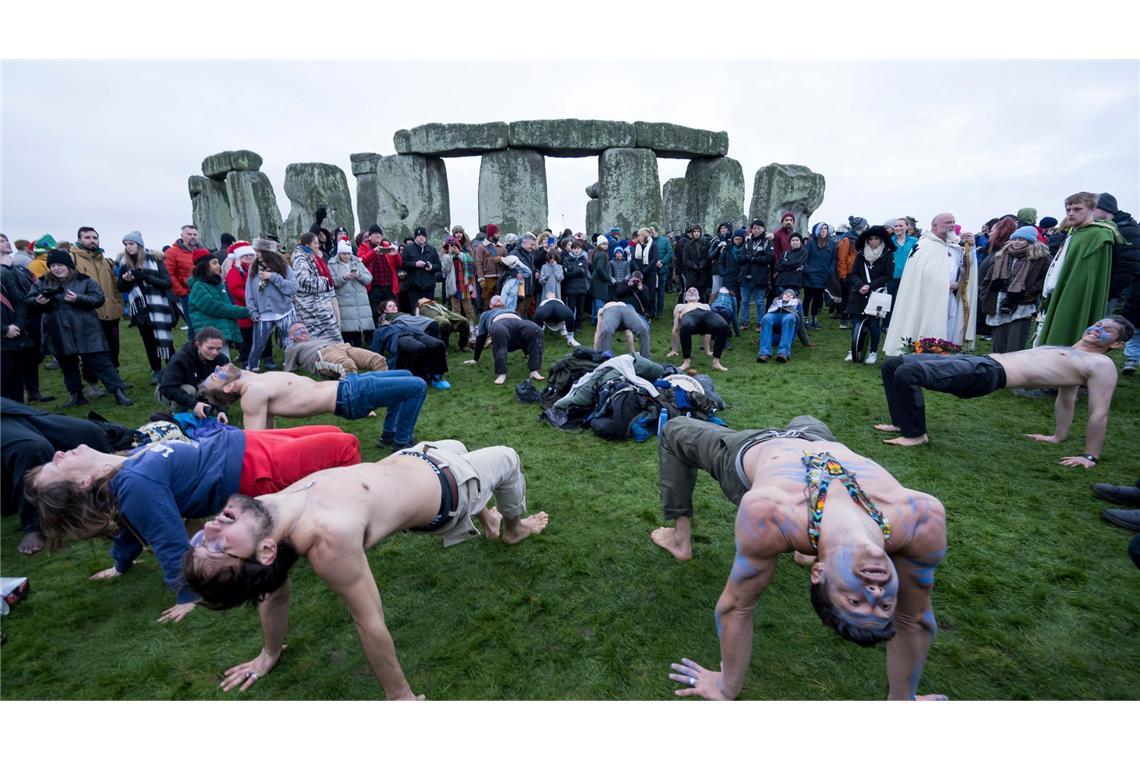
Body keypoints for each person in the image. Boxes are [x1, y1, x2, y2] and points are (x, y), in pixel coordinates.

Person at [181, 439, 549, 698]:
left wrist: (269, 653)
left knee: (458, 445)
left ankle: (488, 518)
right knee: (507, 457)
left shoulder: (263, 513)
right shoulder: (329, 539)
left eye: (202, 541)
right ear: (263, 552)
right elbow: (369, 622)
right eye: (218, 547)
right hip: (450, 490)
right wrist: (400, 697)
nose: (212, 527)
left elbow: (272, 590)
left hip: (419, 456)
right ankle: (513, 530)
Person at [653, 415, 946, 701]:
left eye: (855, 601)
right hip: (816, 436)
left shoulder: (771, 513)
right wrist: (903, 701)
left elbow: (737, 606)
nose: (874, 591)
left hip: (751, 449)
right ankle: (810, 547)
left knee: (674, 430)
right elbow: (915, 618)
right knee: (806, 416)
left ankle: (680, 540)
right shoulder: (921, 517)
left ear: (819, 573)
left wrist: (725, 687)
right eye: (884, 604)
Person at [26, 425, 362, 622]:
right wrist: (188, 593)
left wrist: (119, 564)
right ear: (81, 483)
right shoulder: (135, 484)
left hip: (241, 441)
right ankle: (357, 516)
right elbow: (167, 538)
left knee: (333, 432)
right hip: (252, 466)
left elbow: (126, 525)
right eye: (54, 468)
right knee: (344, 447)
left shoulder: (122, 466)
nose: (56, 455)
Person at [875, 317, 1132, 461]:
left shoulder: (1101, 364)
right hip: (983, 361)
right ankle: (902, 422)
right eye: (1098, 325)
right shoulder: (1073, 353)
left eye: (1107, 330)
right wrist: (1057, 436)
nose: (1097, 330)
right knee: (893, 365)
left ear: (1118, 344)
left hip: (987, 375)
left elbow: (1099, 413)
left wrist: (1090, 456)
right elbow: (1066, 399)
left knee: (909, 373)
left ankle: (916, 434)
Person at [198, 361, 427, 449]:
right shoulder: (252, 394)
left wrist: (218, 410)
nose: (218, 369)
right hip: (349, 397)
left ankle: (389, 434)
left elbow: (269, 425)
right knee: (416, 386)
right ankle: (401, 443)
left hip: (348, 385)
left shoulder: (252, 379)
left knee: (407, 372)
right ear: (228, 388)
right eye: (216, 375)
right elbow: (257, 441)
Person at [2, 397, 112, 555]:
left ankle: (112, 491)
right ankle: (34, 524)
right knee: (31, 448)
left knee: (87, 431)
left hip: (10, 408)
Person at [27, 250, 133, 407]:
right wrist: (38, 302)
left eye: (60, 265)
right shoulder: (42, 282)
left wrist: (79, 298)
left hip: (85, 328)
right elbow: (29, 301)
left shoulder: (84, 280)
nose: (57, 268)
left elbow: (98, 298)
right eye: (53, 265)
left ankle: (117, 391)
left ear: (68, 265)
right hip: (58, 329)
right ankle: (76, 395)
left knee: (101, 362)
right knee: (67, 365)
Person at [883, 213, 978, 356]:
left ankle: (944, 355)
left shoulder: (954, 246)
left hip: (949, 298)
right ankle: (923, 354)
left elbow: (966, 267)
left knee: (948, 328)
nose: (951, 225)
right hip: (927, 298)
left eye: (953, 222)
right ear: (934, 226)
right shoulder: (924, 245)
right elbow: (923, 272)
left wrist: (970, 248)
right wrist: (944, 284)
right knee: (926, 325)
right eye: (947, 222)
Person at [1035, 193, 1119, 348]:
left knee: (1064, 337)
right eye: (1068, 210)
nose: (1071, 213)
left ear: (1092, 210)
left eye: (1077, 209)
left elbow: (1086, 279)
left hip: (1074, 296)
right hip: (1056, 293)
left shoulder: (1097, 235)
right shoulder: (1075, 233)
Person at [979, 226, 1051, 354]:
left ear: (1030, 241)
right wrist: (985, 295)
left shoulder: (1040, 258)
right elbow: (988, 279)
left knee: (1015, 345)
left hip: (1022, 303)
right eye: (1015, 238)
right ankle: (998, 369)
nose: (1017, 242)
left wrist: (1031, 291)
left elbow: (1046, 278)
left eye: (1022, 239)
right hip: (998, 301)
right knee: (998, 344)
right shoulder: (1001, 256)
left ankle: (1015, 371)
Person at [70, 228, 125, 395]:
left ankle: (114, 379)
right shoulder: (73, 259)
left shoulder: (106, 261)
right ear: (79, 239)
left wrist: (117, 304)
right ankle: (93, 384)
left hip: (110, 312)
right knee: (91, 351)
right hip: (88, 313)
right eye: (87, 237)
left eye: (95, 237)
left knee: (113, 347)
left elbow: (115, 285)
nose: (92, 240)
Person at [116, 230, 174, 384]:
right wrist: (126, 280)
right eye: (126, 244)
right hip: (140, 309)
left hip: (159, 307)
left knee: (165, 340)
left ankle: (173, 370)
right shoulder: (124, 263)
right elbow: (121, 288)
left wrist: (146, 277)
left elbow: (167, 283)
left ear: (139, 245)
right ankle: (156, 371)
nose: (128, 247)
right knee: (149, 342)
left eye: (131, 244)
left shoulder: (155, 259)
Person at [2, 240, 52, 403]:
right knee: (8, 370)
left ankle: (32, 392)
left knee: (30, 359)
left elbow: (21, 297)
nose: (6, 243)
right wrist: (5, 328)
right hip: (7, 327)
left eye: (5, 240)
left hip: (27, 320)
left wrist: (19, 323)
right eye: (1, 241)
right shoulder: (5, 270)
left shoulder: (19, 268)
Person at [843, 225, 897, 365]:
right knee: (856, 324)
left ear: (881, 240)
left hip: (876, 294)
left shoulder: (887, 254)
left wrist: (870, 286)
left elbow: (887, 276)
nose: (873, 241)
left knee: (874, 325)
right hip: (859, 293)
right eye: (870, 239)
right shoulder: (861, 254)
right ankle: (854, 349)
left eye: (876, 239)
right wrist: (861, 285)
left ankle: (873, 352)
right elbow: (853, 273)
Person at [464, 295, 544, 385]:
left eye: (500, 298)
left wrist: (527, 353)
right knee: (499, 332)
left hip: (517, 322)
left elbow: (522, 333)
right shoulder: (485, 314)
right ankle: (501, 373)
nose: (498, 298)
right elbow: (481, 337)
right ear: (490, 306)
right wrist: (475, 359)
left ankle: (534, 370)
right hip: (499, 323)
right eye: (494, 299)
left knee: (536, 330)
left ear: (504, 304)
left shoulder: (511, 311)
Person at [244, 237, 297, 372]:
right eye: (256, 251)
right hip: (263, 314)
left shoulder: (283, 267)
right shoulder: (253, 267)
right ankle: (252, 368)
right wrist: (252, 310)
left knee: (289, 342)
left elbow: (293, 287)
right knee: (258, 344)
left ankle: (290, 367)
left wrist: (273, 277)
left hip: (284, 310)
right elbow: (249, 292)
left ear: (269, 253)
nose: (257, 254)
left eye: (260, 251)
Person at [373, 300, 452, 389]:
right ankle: (421, 375)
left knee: (438, 344)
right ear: (385, 310)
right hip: (399, 335)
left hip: (414, 331)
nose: (393, 307)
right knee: (418, 347)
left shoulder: (403, 314)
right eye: (390, 306)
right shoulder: (383, 320)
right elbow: (378, 338)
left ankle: (437, 375)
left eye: (394, 305)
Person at [188, 247, 249, 354]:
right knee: (218, 364)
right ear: (204, 266)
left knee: (223, 362)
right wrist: (245, 311)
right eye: (214, 263)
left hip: (219, 332)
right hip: (209, 336)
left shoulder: (217, 284)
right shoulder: (198, 287)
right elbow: (215, 307)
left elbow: (226, 304)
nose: (219, 266)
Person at [157, 326, 230, 414]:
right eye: (210, 348)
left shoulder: (222, 360)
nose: (215, 352)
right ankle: (176, 416)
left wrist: (222, 411)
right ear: (198, 344)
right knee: (189, 390)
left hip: (199, 387)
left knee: (217, 384)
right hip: (169, 389)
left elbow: (223, 386)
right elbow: (167, 388)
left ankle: (202, 407)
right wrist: (194, 404)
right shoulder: (180, 359)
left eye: (218, 349)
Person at [1092, 193, 1140, 318]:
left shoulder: (1127, 231)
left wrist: (1110, 293)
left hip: (1115, 296)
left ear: (1106, 209)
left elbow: (1130, 266)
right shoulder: (1107, 229)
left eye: (1094, 208)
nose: (1090, 211)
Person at [283, 321, 387, 378]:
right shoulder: (292, 348)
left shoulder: (316, 339)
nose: (302, 331)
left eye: (303, 328)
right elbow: (288, 371)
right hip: (321, 355)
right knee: (347, 366)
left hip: (343, 347)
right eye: (297, 330)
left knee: (377, 359)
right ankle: (356, 400)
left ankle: (384, 389)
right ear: (291, 336)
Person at [291, 232, 341, 343]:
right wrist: (325, 282)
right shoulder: (301, 258)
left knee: (330, 339)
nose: (318, 245)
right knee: (319, 341)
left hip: (318, 305)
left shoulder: (310, 255)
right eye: (315, 243)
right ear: (307, 244)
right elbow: (304, 281)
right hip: (312, 308)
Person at [666, 287, 729, 372]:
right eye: (689, 291)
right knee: (686, 326)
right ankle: (686, 362)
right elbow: (676, 329)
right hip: (689, 315)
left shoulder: (705, 306)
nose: (692, 290)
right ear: (685, 298)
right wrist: (674, 350)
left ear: (699, 297)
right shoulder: (681, 306)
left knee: (724, 326)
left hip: (706, 314)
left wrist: (707, 350)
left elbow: (707, 332)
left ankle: (716, 362)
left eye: (694, 290)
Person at [328, 237, 374, 347]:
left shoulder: (357, 262)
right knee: (346, 334)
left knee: (357, 336)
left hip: (359, 304)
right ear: (339, 253)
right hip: (344, 304)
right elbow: (331, 282)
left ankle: (360, 357)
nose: (347, 256)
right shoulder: (332, 264)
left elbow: (369, 278)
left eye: (348, 254)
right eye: (344, 254)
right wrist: (344, 277)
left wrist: (359, 276)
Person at [223, 240, 256, 367]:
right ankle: (245, 359)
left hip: (253, 307)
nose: (249, 257)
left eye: (251, 255)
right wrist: (252, 299)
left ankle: (254, 357)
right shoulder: (235, 271)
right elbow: (235, 290)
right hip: (243, 309)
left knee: (253, 335)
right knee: (245, 337)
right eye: (245, 255)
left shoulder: (252, 269)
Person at [835, 217, 868, 329]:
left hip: (861, 273)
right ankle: (844, 320)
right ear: (861, 226)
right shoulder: (847, 240)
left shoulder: (863, 239)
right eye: (865, 224)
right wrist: (843, 276)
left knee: (857, 297)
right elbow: (842, 259)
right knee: (847, 297)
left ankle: (855, 320)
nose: (866, 226)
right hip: (849, 273)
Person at [739, 220, 772, 332]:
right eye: (754, 228)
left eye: (758, 228)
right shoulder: (747, 242)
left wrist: (753, 258)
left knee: (760, 301)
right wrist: (752, 256)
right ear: (751, 230)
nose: (756, 230)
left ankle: (760, 323)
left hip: (760, 276)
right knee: (745, 301)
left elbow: (769, 258)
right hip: (746, 276)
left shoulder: (767, 242)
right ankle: (744, 322)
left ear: (763, 229)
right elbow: (742, 257)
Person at [802, 223, 837, 329]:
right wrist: (807, 269)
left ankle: (814, 319)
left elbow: (834, 259)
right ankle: (804, 319)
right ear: (817, 230)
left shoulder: (832, 244)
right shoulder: (811, 243)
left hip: (823, 275)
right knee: (808, 297)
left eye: (825, 228)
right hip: (810, 275)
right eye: (821, 228)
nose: (823, 230)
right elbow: (804, 257)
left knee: (817, 298)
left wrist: (830, 271)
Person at [166, 224, 199, 334]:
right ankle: (193, 349)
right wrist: (182, 293)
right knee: (193, 326)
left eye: (194, 234)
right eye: (189, 234)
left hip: (204, 293)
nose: (192, 236)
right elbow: (169, 274)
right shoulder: (172, 252)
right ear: (182, 235)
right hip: (188, 295)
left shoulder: (202, 251)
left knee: (206, 326)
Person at [758, 289, 804, 363]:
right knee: (766, 318)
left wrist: (806, 343)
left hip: (789, 314)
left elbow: (801, 324)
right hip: (775, 313)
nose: (788, 295)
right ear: (782, 296)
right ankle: (764, 353)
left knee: (790, 318)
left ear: (793, 298)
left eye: (791, 295)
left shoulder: (797, 303)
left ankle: (783, 353)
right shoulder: (776, 301)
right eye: (786, 294)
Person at [401, 227, 442, 307]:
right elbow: (403, 264)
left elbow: (439, 266)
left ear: (426, 237)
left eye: (423, 235)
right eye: (418, 235)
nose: (421, 237)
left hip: (429, 287)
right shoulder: (408, 249)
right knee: (416, 312)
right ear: (415, 237)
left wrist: (431, 267)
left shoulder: (432, 250)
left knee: (429, 312)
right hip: (414, 287)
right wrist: (415, 264)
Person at [560, 237, 592, 337]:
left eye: (579, 248)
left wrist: (573, 271)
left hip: (582, 288)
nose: (577, 250)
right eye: (575, 248)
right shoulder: (567, 260)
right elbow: (566, 275)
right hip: (571, 288)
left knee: (580, 308)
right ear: (572, 249)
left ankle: (578, 326)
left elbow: (585, 273)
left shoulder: (584, 259)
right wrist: (578, 271)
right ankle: (570, 326)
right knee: (571, 309)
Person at [677, 225, 710, 303]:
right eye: (694, 232)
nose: (696, 233)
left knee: (701, 293)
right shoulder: (688, 245)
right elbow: (685, 259)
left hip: (703, 272)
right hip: (691, 273)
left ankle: (702, 310)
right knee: (691, 293)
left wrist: (702, 264)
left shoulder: (706, 244)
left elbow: (708, 256)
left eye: (698, 231)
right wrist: (694, 265)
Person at [474, 224, 503, 309]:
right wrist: (481, 278)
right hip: (487, 279)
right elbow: (478, 263)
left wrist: (501, 259)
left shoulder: (501, 247)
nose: (499, 235)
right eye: (497, 233)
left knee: (499, 302)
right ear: (491, 234)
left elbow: (508, 259)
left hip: (500, 278)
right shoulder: (481, 247)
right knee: (487, 302)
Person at [589, 236, 613, 319]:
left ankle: (594, 320)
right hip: (599, 280)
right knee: (600, 301)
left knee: (595, 301)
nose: (606, 245)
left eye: (607, 244)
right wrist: (607, 278)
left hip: (595, 278)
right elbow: (599, 267)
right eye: (604, 244)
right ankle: (600, 320)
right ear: (599, 244)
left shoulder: (595, 253)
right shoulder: (602, 254)